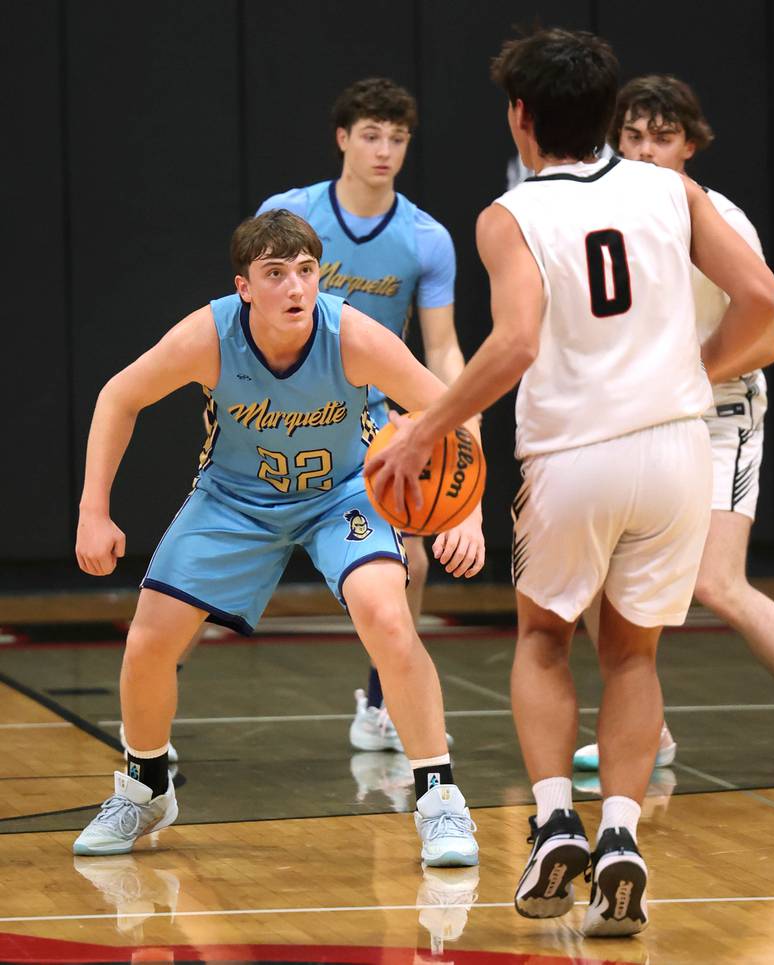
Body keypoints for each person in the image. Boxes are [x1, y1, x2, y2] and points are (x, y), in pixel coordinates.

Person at [365, 27, 774, 936]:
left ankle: (556, 818)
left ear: (521, 115)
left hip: (574, 454)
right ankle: (624, 837)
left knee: (545, 637)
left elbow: (512, 344)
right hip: (676, 451)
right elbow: (763, 300)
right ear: (606, 112)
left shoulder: (510, 215)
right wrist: (690, 372)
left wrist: (427, 427)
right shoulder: (672, 188)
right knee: (633, 652)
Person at [72, 209, 482, 869]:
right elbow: (118, 396)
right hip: (234, 498)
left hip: (343, 492)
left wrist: (466, 512)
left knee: (388, 614)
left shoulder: (352, 334)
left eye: (306, 271)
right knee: (148, 638)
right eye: (275, 273)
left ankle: (439, 798)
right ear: (244, 286)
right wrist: (95, 510)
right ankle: (145, 787)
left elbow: (449, 407)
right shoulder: (207, 335)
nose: (295, 287)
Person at [254, 77, 478, 753]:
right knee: (215, 558)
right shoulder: (290, 217)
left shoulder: (424, 237)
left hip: (374, 415)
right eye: (372, 135)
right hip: (282, 404)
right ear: (343, 138)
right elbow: (247, 313)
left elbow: (441, 349)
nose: (385, 151)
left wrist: (465, 448)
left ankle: (383, 703)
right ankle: (155, 724)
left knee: (410, 551)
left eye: (398, 138)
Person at [573, 75, 774, 773]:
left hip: (720, 411)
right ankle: (649, 729)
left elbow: (769, 339)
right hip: (644, 417)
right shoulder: (599, 215)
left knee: (719, 584)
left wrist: (690, 372)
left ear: (690, 145)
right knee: (589, 574)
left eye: (661, 137)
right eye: (631, 136)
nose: (643, 150)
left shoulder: (716, 216)